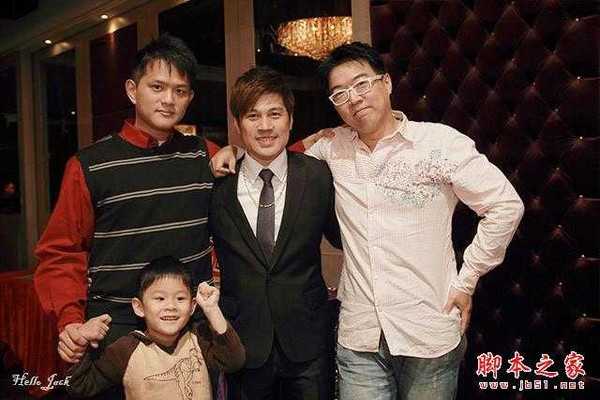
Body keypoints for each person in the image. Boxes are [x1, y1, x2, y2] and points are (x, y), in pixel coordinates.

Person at [211, 42, 525, 400]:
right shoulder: (332, 148)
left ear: (386, 82)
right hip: (360, 340)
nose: (355, 99)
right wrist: (234, 151)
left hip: (428, 330)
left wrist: (467, 280)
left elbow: (505, 206)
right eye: (340, 93)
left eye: (362, 84)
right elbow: (273, 156)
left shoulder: (439, 143)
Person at [34, 34, 221, 366]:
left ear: (190, 98)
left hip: (191, 326)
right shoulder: (89, 165)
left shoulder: (205, 155)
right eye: (157, 87)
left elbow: (260, 174)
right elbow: (62, 252)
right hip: (115, 329)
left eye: (180, 91)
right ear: (133, 90)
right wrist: (70, 320)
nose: (169, 100)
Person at [209, 66, 341, 400]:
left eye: (275, 114)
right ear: (237, 124)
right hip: (243, 342)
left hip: (308, 340)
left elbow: (346, 238)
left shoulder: (317, 175)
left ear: (290, 119)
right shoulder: (217, 185)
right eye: (253, 116)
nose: (265, 126)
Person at [67, 256, 245, 400]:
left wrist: (212, 309)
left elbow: (234, 361)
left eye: (180, 299)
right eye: (160, 298)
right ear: (139, 307)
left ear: (192, 306)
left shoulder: (198, 338)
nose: (171, 306)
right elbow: (80, 386)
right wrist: (83, 341)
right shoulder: (125, 350)